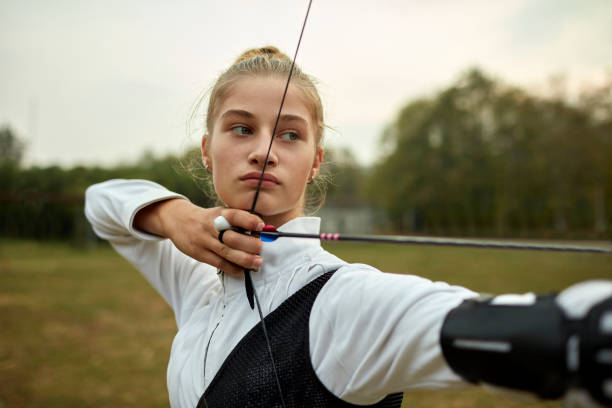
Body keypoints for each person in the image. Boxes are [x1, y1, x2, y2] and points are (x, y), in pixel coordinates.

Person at [85, 46, 611, 408]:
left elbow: (478, 326)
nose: (263, 149)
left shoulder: (341, 304)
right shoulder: (196, 271)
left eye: (289, 135)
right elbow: (101, 202)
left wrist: (583, 334)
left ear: (315, 160)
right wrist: (175, 217)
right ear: (207, 150)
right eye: (241, 128)